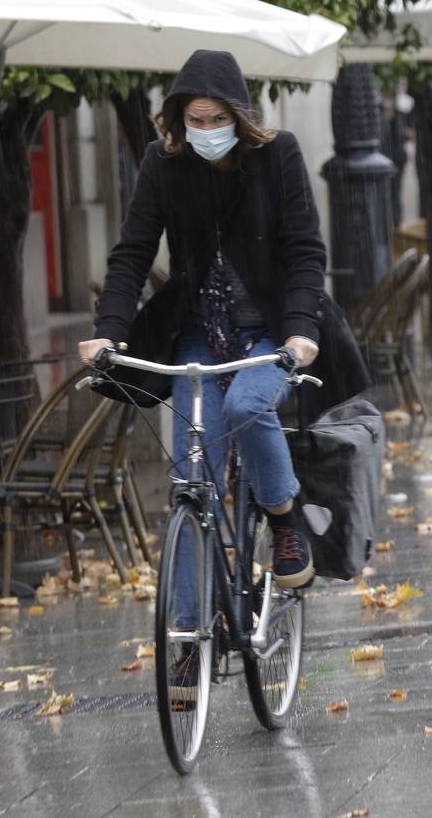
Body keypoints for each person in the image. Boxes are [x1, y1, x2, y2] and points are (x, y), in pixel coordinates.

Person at [80, 50, 329, 616]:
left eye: (219, 120)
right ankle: (188, 640)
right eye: (196, 120)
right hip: (198, 335)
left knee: (246, 405)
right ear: (178, 119)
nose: (208, 131)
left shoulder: (278, 156)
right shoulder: (162, 164)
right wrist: (107, 332)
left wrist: (300, 334)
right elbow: (132, 255)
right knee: (193, 479)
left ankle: (284, 519)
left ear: (240, 118)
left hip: (269, 332)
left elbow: (305, 252)